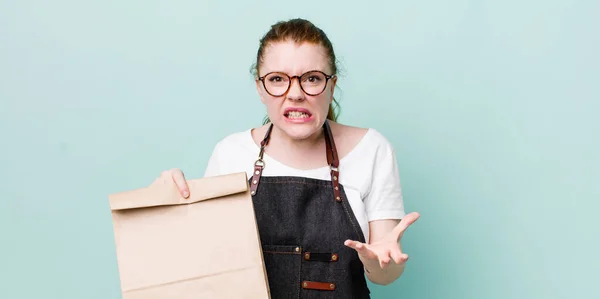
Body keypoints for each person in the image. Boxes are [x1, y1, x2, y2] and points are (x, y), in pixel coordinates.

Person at [157, 18, 420, 298]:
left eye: (312, 78)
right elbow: (203, 264)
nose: (295, 94)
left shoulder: (372, 150)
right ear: (260, 88)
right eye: (277, 79)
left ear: (331, 87)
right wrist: (165, 209)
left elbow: (385, 275)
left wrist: (377, 262)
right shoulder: (230, 154)